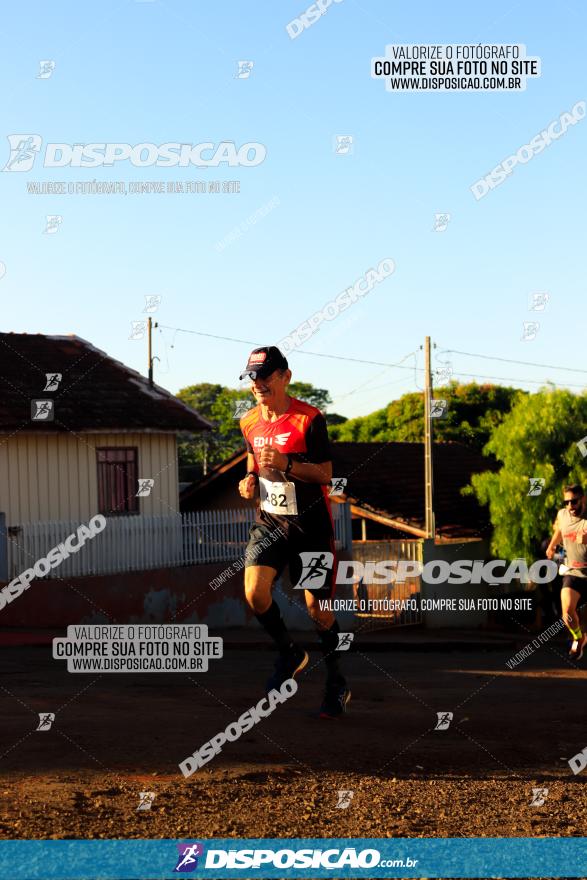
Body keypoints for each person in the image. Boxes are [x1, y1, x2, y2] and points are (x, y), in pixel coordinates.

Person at [237, 346, 351, 718]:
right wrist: (249, 480)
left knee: (317, 610)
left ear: (285, 376)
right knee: (255, 594)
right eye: (253, 377)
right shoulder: (249, 421)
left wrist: (288, 464)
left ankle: (336, 682)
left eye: (265, 376)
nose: (258, 384)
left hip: (311, 528)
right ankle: (289, 653)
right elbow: (253, 461)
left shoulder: (309, 419)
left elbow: (326, 474)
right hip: (270, 522)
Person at [546, 484, 587, 659]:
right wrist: (552, 545)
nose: (570, 506)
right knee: (567, 613)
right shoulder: (563, 514)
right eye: (567, 502)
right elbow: (560, 530)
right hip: (573, 572)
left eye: (574, 501)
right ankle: (578, 638)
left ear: (583, 499)